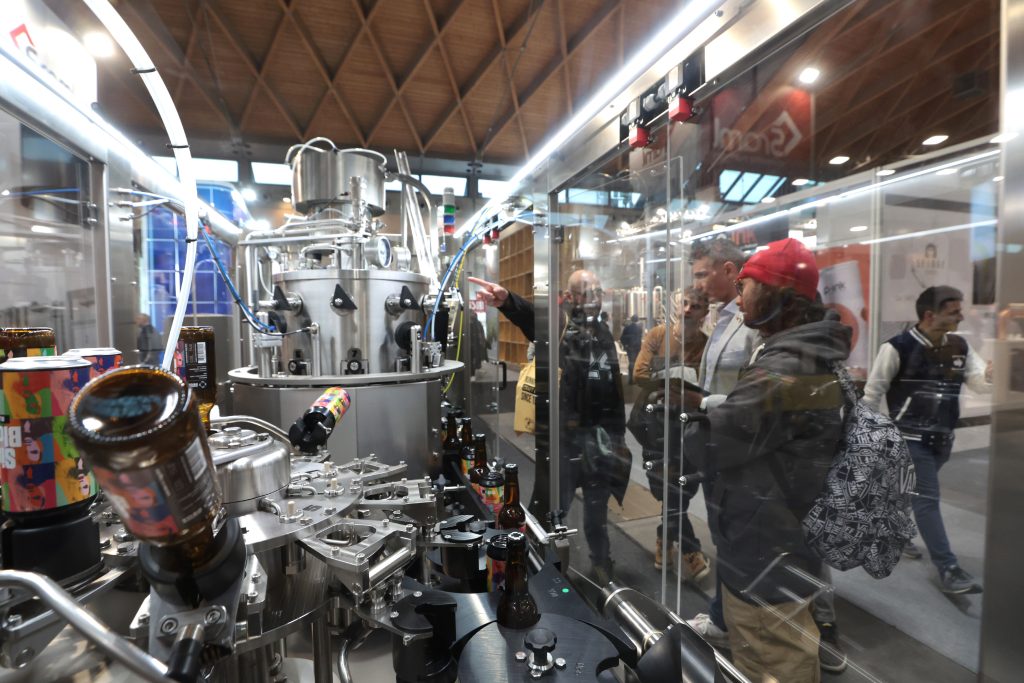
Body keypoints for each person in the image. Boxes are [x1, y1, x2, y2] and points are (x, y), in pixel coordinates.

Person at [685, 237, 848, 675]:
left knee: (771, 657)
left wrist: (686, 421)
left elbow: (716, 441)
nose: (739, 298)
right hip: (772, 532)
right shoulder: (794, 354)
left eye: (747, 287)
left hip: (767, 545)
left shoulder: (785, 367)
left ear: (777, 295)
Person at [469, 272, 629, 584]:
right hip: (564, 440)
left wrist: (618, 436)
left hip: (598, 438)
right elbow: (534, 319)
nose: (594, 298)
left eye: (597, 291)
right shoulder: (562, 326)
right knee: (550, 507)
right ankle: (527, 566)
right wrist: (508, 301)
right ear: (570, 297)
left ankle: (601, 564)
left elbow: (614, 390)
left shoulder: (602, 331)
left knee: (597, 512)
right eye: (586, 292)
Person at [863, 285, 989, 595]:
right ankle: (948, 568)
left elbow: (979, 384)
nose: (961, 317)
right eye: (954, 312)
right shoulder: (897, 348)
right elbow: (872, 394)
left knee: (912, 492)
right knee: (926, 500)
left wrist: (992, 375)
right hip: (909, 439)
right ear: (930, 315)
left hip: (942, 438)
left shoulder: (959, 346)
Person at [633, 288, 709, 580]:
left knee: (680, 492)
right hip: (656, 425)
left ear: (704, 313)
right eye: (685, 303)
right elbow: (639, 373)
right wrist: (679, 384)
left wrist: (674, 385)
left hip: (688, 427)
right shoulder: (658, 335)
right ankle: (690, 549)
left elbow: (706, 386)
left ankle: (663, 540)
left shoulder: (705, 344)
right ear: (677, 305)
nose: (688, 309)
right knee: (667, 489)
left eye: (696, 306)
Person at [620, 315, 643, 383]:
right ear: (637, 320)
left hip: (630, 348)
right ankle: (635, 378)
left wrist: (625, 345)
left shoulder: (627, 327)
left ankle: (630, 379)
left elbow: (622, 338)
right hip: (637, 348)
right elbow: (639, 338)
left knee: (631, 362)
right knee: (636, 363)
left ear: (631, 320)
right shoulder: (639, 328)